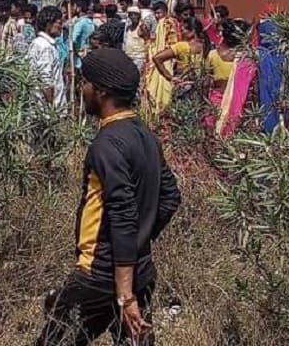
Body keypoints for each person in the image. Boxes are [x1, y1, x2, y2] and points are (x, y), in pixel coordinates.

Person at [35, 49, 180, 346]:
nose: (81, 89)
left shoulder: (107, 144)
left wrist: (124, 295)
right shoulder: (145, 136)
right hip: (139, 270)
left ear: (100, 92)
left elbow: (122, 214)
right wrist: (139, 242)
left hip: (100, 278)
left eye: (86, 83)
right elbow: (170, 197)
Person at [28, 6, 66, 112]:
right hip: (46, 110)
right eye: (59, 23)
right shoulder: (45, 46)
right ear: (49, 24)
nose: (61, 27)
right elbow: (46, 80)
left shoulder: (41, 43)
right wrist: (51, 109)